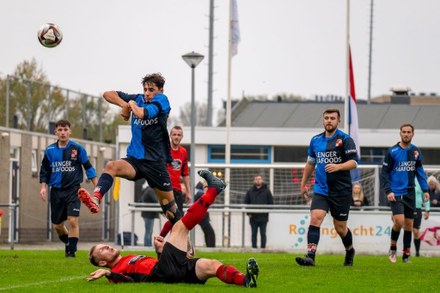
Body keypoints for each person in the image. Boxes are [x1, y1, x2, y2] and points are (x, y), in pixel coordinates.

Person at [86, 170, 259, 288]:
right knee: (180, 226)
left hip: (170, 270)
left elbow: (147, 271)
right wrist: (107, 273)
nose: (107, 246)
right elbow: (129, 281)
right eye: (103, 250)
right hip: (164, 272)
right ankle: (214, 188)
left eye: (104, 245)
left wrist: (160, 252)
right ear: (102, 262)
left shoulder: (129, 258)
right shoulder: (116, 271)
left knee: (212, 265)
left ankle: (246, 281)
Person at [78, 73, 182, 229]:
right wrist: (124, 105)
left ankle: (186, 244)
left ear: (161, 90)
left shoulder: (162, 100)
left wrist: (131, 105)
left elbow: (142, 113)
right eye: (145, 89)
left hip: (156, 163)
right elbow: (108, 94)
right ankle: (95, 199)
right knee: (111, 166)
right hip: (136, 160)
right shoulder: (138, 99)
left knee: (171, 212)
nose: (147, 93)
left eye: (151, 89)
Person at [296, 108, 358, 267]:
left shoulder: (345, 139)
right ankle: (310, 257)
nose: (329, 120)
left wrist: (338, 167)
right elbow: (310, 163)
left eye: (332, 118)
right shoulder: (315, 140)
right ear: (323, 120)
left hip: (341, 191)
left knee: (340, 228)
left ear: (338, 121)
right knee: (315, 218)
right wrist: (303, 184)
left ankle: (350, 250)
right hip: (321, 189)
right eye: (326, 118)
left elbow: (354, 162)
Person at [39, 119, 98, 257]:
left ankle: (71, 252)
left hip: (73, 190)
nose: (63, 133)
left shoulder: (77, 149)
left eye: (65, 130)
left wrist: (98, 189)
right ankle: (68, 243)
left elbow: (88, 168)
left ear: (70, 131)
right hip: (56, 191)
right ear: (55, 132)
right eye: (60, 130)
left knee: (72, 220)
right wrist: (43, 187)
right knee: (58, 226)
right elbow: (44, 171)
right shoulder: (50, 150)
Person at [381, 123, 430, 263]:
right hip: (395, 192)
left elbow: (420, 171)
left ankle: (406, 254)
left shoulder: (415, 151)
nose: (406, 134)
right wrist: (388, 190)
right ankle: (393, 248)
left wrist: (425, 189)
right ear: (400, 133)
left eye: (409, 132)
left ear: (413, 134)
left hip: (410, 192)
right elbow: (384, 173)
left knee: (409, 224)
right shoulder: (393, 151)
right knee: (399, 221)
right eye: (404, 132)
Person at [159, 125, 191, 238]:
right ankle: (162, 238)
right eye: (174, 134)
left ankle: (169, 242)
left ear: (182, 137)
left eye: (179, 135)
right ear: (170, 136)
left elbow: (185, 173)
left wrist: (188, 191)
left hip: (177, 189)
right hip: (166, 189)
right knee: (174, 217)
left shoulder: (183, 152)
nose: (176, 137)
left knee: (178, 219)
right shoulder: (164, 150)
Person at [245, 175, 274, 249]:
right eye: (256, 179)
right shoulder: (250, 191)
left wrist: (266, 212)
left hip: (263, 217)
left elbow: (271, 203)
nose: (258, 180)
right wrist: (249, 213)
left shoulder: (267, 191)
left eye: (259, 179)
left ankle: (263, 249)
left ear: (262, 180)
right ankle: (254, 248)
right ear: (254, 181)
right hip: (253, 217)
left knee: (263, 234)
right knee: (253, 234)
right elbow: (246, 203)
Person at [194, 180, 216, 247]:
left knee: (208, 232)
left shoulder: (200, 194)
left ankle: (209, 247)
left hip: (202, 217)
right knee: (210, 233)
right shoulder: (200, 194)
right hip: (202, 217)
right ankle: (211, 247)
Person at [413, 178, 430, 257]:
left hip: (417, 208)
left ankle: (417, 252)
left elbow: (426, 196)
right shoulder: (404, 177)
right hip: (406, 207)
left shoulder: (421, 181)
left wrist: (427, 210)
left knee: (416, 231)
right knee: (408, 229)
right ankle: (406, 252)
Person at [140, 183, 160, 247]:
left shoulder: (148, 189)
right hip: (148, 214)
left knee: (149, 231)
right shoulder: (150, 190)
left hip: (148, 214)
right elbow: (156, 201)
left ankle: (148, 246)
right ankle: (147, 246)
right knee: (148, 231)